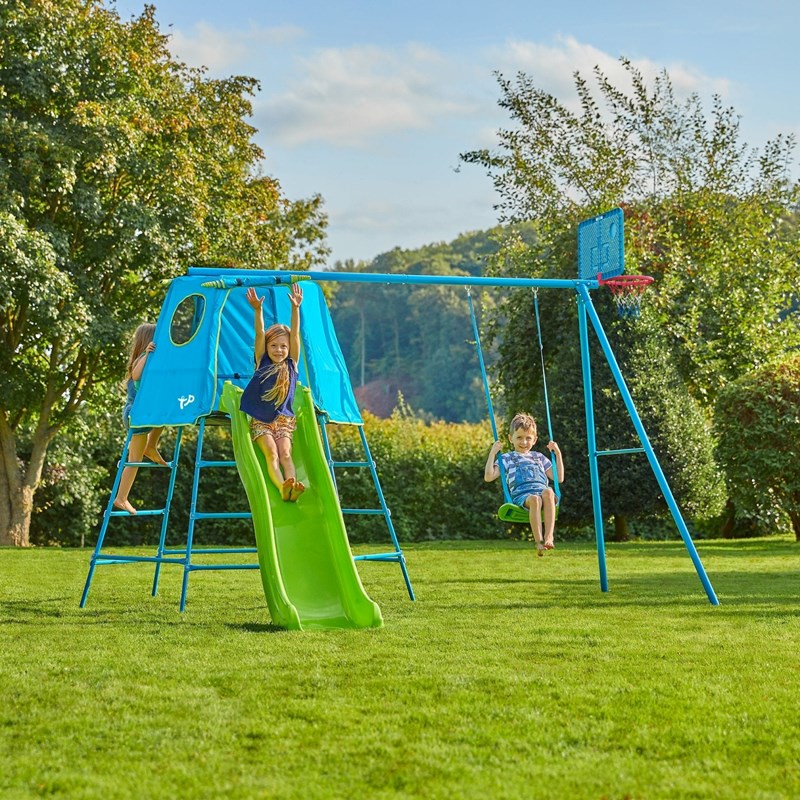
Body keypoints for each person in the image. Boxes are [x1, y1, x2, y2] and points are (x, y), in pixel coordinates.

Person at [239, 283, 306, 502]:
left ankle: (293, 487)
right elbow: (259, 333)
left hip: (284, 420)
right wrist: (258, 310)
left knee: (286, 454)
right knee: (272, 454)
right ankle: (281, 486)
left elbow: (295, 334)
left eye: (283, 347)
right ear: (268, 347)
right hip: (261, 421)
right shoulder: (262, 362)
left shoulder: (292, 364)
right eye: (274, 346)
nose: (279, 350)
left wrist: (296, 309)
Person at [484, 413, 564, 556]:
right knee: (535, 499)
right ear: (511, 438)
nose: (524, 442)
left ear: (534, 440)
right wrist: (493, 453)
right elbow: (489, 477)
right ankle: (539, 542)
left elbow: (559, 478)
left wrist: (557, 454)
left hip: (541, 491)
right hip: (522, 496)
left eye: (528, 438)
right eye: (519, 437)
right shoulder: (507, 458)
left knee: (549, 492)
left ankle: (549, 536)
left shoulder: (538, 457)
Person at [114, 323, 167, 514]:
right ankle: (121, 498)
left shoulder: (150, 362)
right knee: (134, 459)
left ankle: (151, 447)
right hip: (136, 415)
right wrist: (146, 354)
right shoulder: (142, 359)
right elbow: (136, 374)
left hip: (142, 415)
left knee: (164, 415)